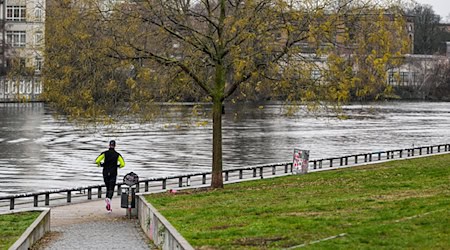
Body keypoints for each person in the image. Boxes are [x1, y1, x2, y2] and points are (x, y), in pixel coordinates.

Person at [95, 140, 125, 212]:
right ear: (115, 146)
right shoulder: (117, 155)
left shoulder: (105, 153)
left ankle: (108, 205)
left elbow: (97, 161)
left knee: (107, 187)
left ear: (109, 145)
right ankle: (108, 199)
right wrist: (118, 166)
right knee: (111, 188)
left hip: (105, 172)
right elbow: (123, 164)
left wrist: (100, 165)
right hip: (113, 172)